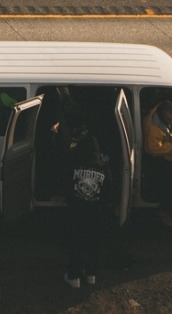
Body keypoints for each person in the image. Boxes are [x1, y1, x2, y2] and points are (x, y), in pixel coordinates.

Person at [60, 122, 114, 289]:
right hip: (96, 212)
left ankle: (74, 277)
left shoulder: (73, 165)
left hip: (76, 211)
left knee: (75, 244)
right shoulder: (103, 168)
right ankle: (91, 274)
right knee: (94, 245)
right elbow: (108, 190)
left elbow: (65, 185)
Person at [140, 99, 172, 222]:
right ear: (162, 114)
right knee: (168, 181)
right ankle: (164, 208)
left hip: (165, 149)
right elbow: (154, 147)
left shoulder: (164, 114)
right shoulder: (153, 127)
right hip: (154, 157)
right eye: (170, 120)